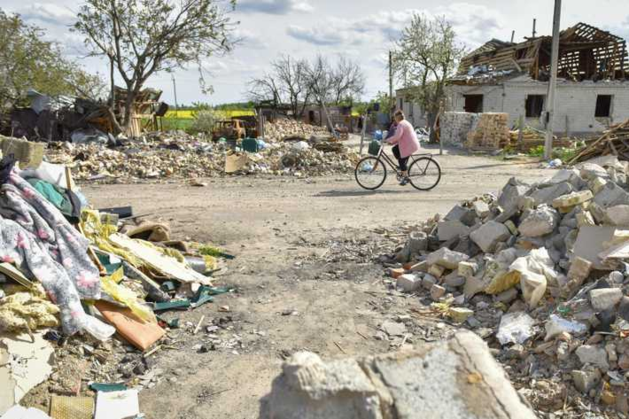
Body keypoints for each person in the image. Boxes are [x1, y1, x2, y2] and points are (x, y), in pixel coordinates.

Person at [386, 110, 420, 186]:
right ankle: (403, 167)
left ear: (397, 117)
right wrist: (391, 142)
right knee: (394, 149)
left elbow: (397, 136)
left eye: (394, 117)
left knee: (401, 160)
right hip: (409, 144)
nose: (394, 119)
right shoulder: (405, 122)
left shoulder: (401, 124)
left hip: (409, 145)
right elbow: (399, 137)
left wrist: (387, 140)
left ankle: (405, 177)